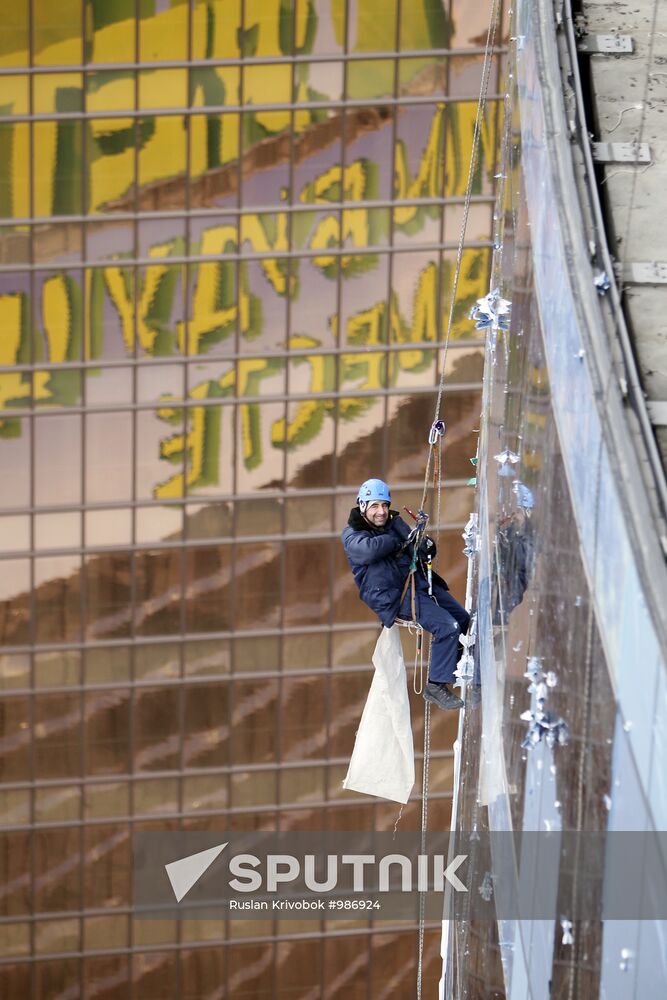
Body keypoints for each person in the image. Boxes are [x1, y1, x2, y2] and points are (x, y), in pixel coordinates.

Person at [342, 478, 470, 710]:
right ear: (362, 506)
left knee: (462, 619)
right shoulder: (352, 534)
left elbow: (419, 550)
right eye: (374, 506)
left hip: (418, 584)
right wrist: (400, 538)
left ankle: (457, 667)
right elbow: (369, 552)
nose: (381, 511)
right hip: (395, 597)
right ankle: (436, 684)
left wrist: (425, 546)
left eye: (384, 505)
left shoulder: (395, 522)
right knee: (447, 627)